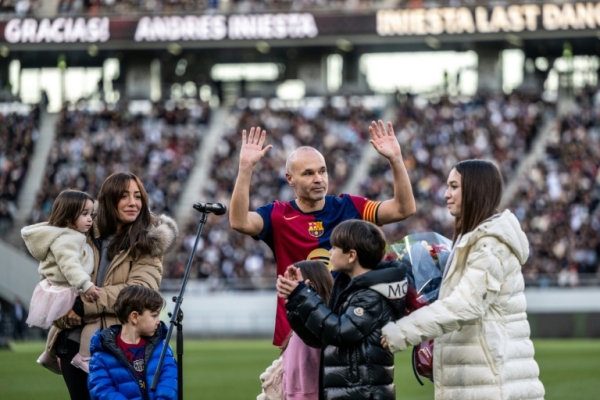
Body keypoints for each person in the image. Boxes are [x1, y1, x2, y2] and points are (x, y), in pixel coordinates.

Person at [230, 121, 416, 346]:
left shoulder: (349, 207)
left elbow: (403, 209)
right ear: (290, 179)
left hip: (347, 325)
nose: (318, 179)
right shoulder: (278, 215)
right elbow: (239, 221)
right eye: (308, 173)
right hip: (296, 333)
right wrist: (245, 168)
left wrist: (396, 160)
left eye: (322, 171)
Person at [381, 160, 546, 400]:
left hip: (493, 385)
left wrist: (401, 332)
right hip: (479, 381)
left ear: (475, 190)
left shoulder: (491, 244)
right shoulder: (472, 239)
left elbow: (465, 305)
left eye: (454, 186)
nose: (446, 193)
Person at [48, 172, 179, 400]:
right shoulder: (82, 232)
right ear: (108, 200)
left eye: (138, 196)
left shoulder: (149, 242)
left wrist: (81, 306)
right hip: (73, 341)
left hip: (118, 347)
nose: (133, 203)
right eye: (124, 196)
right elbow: (56, 277)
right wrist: (63, 311)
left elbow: (140, 292)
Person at [277, 219, 408, 399]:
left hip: (362, 394)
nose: (329, 253)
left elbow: (339, 332)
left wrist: (304, 295)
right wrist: (295, 300)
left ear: (351, 255)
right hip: (351, 391)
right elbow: (321, 339)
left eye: (334, 248)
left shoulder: (370, 296)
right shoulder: (352, 290)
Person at [21, 189, 101, 374]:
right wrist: (86, 285)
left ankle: (48, 354)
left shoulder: (68, 236)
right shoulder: (66, 239)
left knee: (58, 326)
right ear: (67, 217)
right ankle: (83, 356)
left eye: (91, 214)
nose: (90, 219)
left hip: (59, 287)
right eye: (84, 214)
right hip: (67, 288)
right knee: (93, 318)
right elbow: (70, 265)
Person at [257, 260, 333, 400]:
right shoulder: (299, 324)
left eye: (291, 284)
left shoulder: (320, 325)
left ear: (310, 286)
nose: (284, 291)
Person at [88, 285, 177, 400]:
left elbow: (169, 383)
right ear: (134, 317)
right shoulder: (101, 355)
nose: (158, 321)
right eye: (154, 316)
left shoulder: (162, 348)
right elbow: (102, 391)